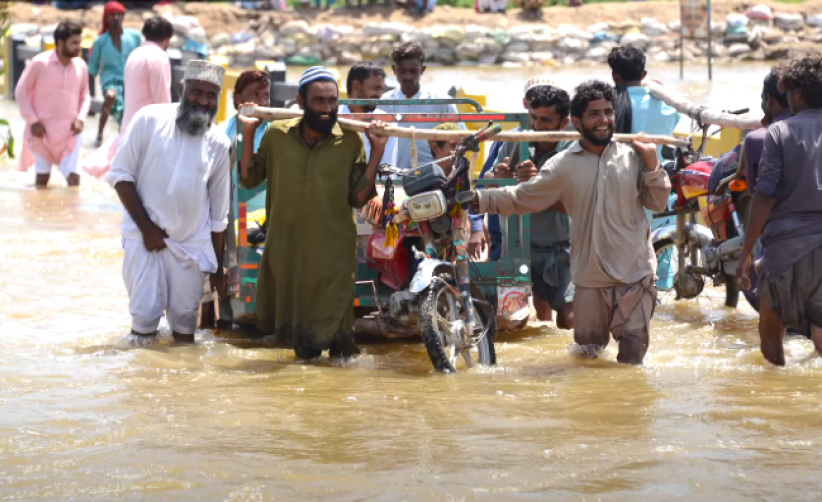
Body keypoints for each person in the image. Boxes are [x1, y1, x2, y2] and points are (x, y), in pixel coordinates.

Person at [470, 81, 670, 364]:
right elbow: (521, 197)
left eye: (608, 112)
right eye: (594, 114)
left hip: (633, 273)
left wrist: (652, 163)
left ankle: (626, 405)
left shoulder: (635, 157)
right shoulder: (561, 164)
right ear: (576, 121)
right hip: (587, 277)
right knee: (586, 352)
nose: (603, 121)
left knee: (631, 352)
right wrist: (477, 201)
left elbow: (658, 203)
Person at [237, 66, 388, 360]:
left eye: (332, 101)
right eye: (319, 101)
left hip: (333, 257)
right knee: (302, 347)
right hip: (289, 254)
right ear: (301, 101)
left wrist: (377, 151)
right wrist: (248, 131)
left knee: (340, 344)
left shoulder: (350, 141)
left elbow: (358, 197)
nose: (327, 108)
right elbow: (248, 179)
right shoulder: (278, 135)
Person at [106, 60, 231, 344]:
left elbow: (218, 214)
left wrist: (218, 267)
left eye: (211, 96)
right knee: (144, 326)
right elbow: (120, 176)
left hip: (190, 249)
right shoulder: (149, 119)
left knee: (186, 333)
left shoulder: (219, 143)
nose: (203, 101)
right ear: (181, 88)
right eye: (197, 92)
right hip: (143, 240)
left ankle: (181, 387)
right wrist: (148, 229)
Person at [737, 56, 822, 366]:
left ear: (797, 93)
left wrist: (746, 253)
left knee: (771, 336)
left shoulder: (779, 132)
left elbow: (764, 196)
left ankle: (777, 399)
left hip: (785, 252)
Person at [473, 83, 575, 328]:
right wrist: (500, 177)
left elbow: (572, 204)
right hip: (517, 247)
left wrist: (536, 185)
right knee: (513, 323)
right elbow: (488, 186)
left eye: (546, 120)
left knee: (569, 319)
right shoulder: (515, 140)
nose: (538, 126)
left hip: (561, 249)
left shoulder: (573, 149)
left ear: (564, 122)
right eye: (533, 118)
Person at [608, 46, 680, 290]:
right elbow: (677, 120)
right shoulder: (666, 104)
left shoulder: (605, 107)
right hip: (659, 194)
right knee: (661, 274)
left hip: (618, 198)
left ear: (614, 76)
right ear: (644, 72)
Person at [83, 16, 174, 178]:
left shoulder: (135, 54)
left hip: (130, 129)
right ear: (167, 39)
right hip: (148, 134)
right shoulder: (158, 57)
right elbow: (162, 100)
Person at [15, 21, 89, 188]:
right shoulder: (39, 63)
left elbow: (85, 96)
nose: (79, 47)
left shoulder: (81, 66)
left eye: (79, 42)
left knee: (74, 180)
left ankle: (71, 213)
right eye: (74, 43)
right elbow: (21, 91)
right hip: (42, 132)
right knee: (42, 181)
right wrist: (32, 120)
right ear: (61, 43)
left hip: (70, 132)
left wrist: (81, 118)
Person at [379, 42, 465, 169]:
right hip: (392, 176)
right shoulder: (383, 103)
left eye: (413, 71)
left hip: (432, 178)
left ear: (423, 70)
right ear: (394, 70)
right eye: (402, 71)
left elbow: (463, 139)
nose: (407, 76)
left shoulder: (442, 102)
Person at [88, 1, 143, 146]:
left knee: (129, 109)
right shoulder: (100, 41)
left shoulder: (135, 36)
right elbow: (92, 68)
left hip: (131, 79)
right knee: (110, 97)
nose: (116, 18)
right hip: (110, 80)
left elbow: (143, 57)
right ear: (107, 18)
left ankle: (124, 136)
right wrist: (87, 94)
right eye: (113, 15)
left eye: (119, 14)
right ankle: (100, 134)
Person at [341, 62, 398, 167]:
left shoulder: (387, 122)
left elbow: (387, 170)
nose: (379, 95)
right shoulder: (333, 119)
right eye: (375, 88)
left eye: (381, 89)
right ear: (356, 86)